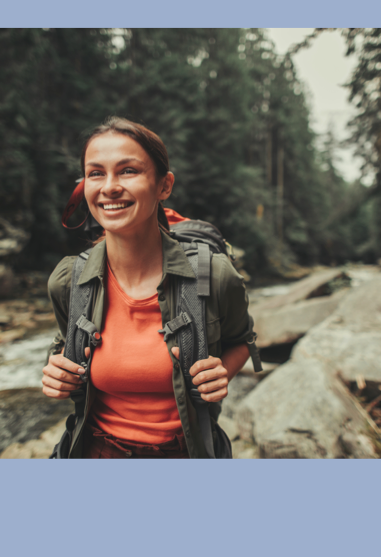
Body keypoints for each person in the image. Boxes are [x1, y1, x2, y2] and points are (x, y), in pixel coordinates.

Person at [41, 117, 255, 458]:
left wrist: (222, 373)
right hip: (96, 452)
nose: (109, 186)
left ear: (164, 186)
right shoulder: (69, 280)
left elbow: (242, 340)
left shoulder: (213, 275)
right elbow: (63, 348)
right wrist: (56, 372)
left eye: (128, 171)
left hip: (187, 452)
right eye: (96, 173)